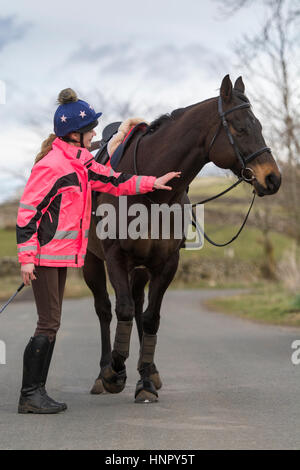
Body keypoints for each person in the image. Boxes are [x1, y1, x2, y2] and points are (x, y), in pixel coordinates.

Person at [16, 88, 180, 414]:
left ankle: (34, 393)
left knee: (51, 323)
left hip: (59, 255)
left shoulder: (82, 164)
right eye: (90, 129)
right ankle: (30, 394)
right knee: (48, 323)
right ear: (75, 134)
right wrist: (27, 258)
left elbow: (116, 181)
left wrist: (152, 182)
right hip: (45, 256)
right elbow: (27, 213)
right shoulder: (52, 166)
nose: (95, 134)